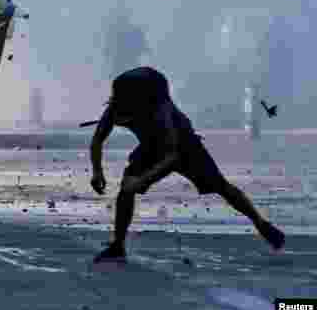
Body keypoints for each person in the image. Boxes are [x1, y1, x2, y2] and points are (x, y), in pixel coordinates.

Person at [89, 66, 285, 263]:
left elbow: (172, 156)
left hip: (186, 146)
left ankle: (260, 223)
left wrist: (143, 179)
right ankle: (118, 245)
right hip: (151, 148)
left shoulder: (161, 110)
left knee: (220, 186)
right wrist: (97, 172)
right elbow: (98, 139)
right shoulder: (116, 107)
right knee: (126, 189)